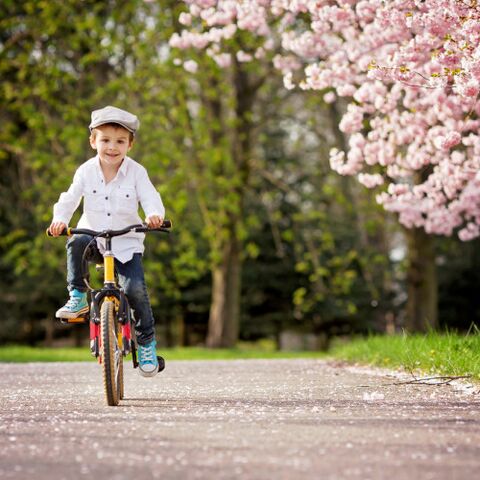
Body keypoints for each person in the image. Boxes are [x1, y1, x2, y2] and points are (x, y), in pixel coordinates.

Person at [48, 106, 165, 377]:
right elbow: (70, 198)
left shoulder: (137, 172)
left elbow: (150, 196)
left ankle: (146, 342)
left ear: (130, 144)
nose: (112, 147)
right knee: (75, 241)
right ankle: (77, 297)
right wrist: (60, 220)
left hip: (125, 242)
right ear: (93, 141)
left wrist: (155, 215)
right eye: (105, 140)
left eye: (120, 141)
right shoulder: (85, 171)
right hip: (94, 237)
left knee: (135, 289)